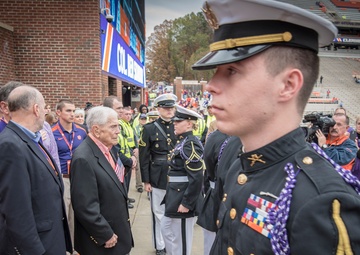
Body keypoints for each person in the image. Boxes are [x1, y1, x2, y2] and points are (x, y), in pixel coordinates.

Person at [192, 0, 360, 254]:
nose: (211, 86)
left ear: (289, 85)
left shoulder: (322, 201)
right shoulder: (240, 164)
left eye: (232, 71)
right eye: (217, 71)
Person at [0, 85, 72, 254]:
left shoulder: (30, 138)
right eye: (45, 107)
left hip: (50, 239)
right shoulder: (10, 145)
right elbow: (16, 211)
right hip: (39, 246)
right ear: (36, 109)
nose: (47, 112)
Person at [70, 106, 133, 255]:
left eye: (118, 126)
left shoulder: (108, 148)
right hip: (103, 243)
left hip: (117, 236)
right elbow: (85, 206)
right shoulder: (83, 158)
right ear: (96, 130)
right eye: (113, 126)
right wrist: (104, 233)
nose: (118, 131)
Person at [160, 105, 204, 255]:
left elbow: (197, 177)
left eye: (178, 121)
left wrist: (187, 203)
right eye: (175, 121)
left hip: (182, 197)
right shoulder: (183, 142)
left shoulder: (190, 144)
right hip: (175, 194)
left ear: (189, 124)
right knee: (166, 228)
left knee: (182, 241)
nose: (174, 123)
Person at [139, 93, 178, 255]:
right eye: (166, 108)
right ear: (158, 109)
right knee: (159, 212)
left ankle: (172, 242)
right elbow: (144, 156)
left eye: (171, 108)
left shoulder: (180, 125)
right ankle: (160, 246)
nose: (169, 111)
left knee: (175, 211)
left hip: (177, 173)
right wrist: (146, 180)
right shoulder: (149, 129)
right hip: (157, 174)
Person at [52, 99, 87, 248]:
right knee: (64, 216)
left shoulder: (81, 131)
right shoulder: (51, 132)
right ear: (58, 112)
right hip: (63, 179)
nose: (72, 114)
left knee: (78, 215)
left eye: (73, 111)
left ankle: (75, 247)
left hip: (79, 179)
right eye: (68, 111)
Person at [103, 96, 137, 208]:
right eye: (118, 108)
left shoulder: (121, 124)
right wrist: (129, 161)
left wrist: (132, 156)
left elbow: (126, 143)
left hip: (125, 160)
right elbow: (114, 149)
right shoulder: (106, 127)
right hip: (119, 162)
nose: (122, 111)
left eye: (122, 107)